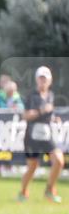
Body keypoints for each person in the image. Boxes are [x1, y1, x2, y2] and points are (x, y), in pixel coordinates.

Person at [19, 66, 64, 203]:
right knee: (32, 167)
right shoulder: (31, 96)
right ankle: (23, 191)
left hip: (46, 134)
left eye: (45, 79)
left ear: (50, 81)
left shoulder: (50, 95)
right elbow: (25, 116)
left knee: (59, 160)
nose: (42, 81)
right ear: (36, 80)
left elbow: (49, 113)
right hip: (31, 136)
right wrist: (41, 110)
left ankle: (49, 189)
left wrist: (53, 118)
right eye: (40, 78)